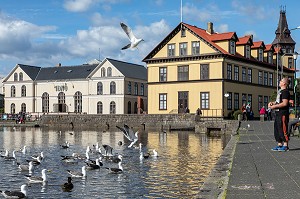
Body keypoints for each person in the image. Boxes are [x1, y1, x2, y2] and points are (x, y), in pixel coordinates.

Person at [269, 77, 290, 152]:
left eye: (281, 81)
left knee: (283, 128)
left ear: (284, 83)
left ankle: (285, 145)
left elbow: (285, 103)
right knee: (277, 129)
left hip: (283, 113)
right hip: (278, 113)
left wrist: (274, 106)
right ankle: (279, 144)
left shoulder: (285, 92)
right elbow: (278, 102)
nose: (279, 81)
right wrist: (272, 103)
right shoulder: (280, 92)